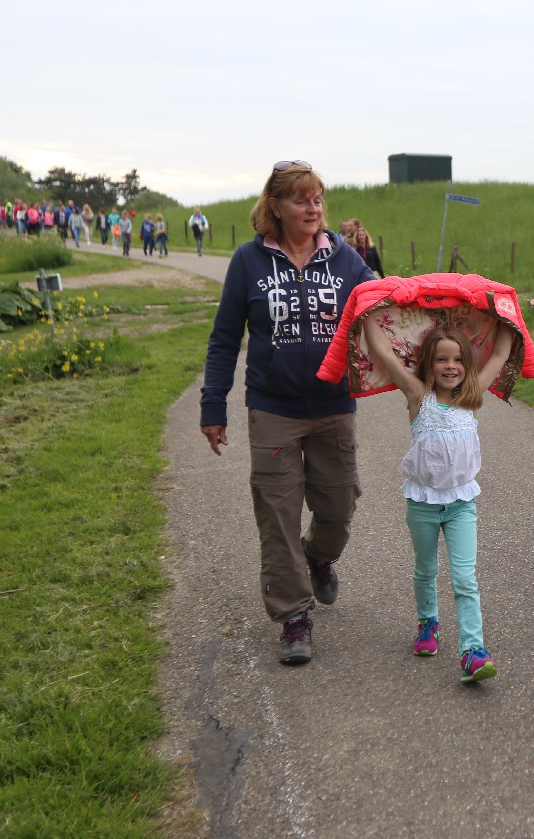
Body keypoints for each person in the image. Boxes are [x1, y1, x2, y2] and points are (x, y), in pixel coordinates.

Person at [199, 160, 376, 665]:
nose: (313, 208)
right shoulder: (248, 261)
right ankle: (294, 617)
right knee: (277, 513)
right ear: (275, 206)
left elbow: (383, 305)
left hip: (334, 405)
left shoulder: (344, 259)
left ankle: (317, 556)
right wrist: (213, 404)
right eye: (301, 200)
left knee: (338, 507)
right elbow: (224, 339)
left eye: (318, 199)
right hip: (273, 407)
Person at [363, 321, 513, 683]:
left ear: (468, 365)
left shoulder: (471, 396)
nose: (451, 366)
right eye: (442, 359)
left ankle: (473, 651)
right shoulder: (418, 396)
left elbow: (500, 354)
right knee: (426, 568)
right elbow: (384, 352)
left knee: (464, 578)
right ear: (428, 363)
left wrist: (506, 313)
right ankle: (428, 622)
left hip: (461, 505)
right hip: (423, 505)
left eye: (459, 359)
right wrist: (366, 311)